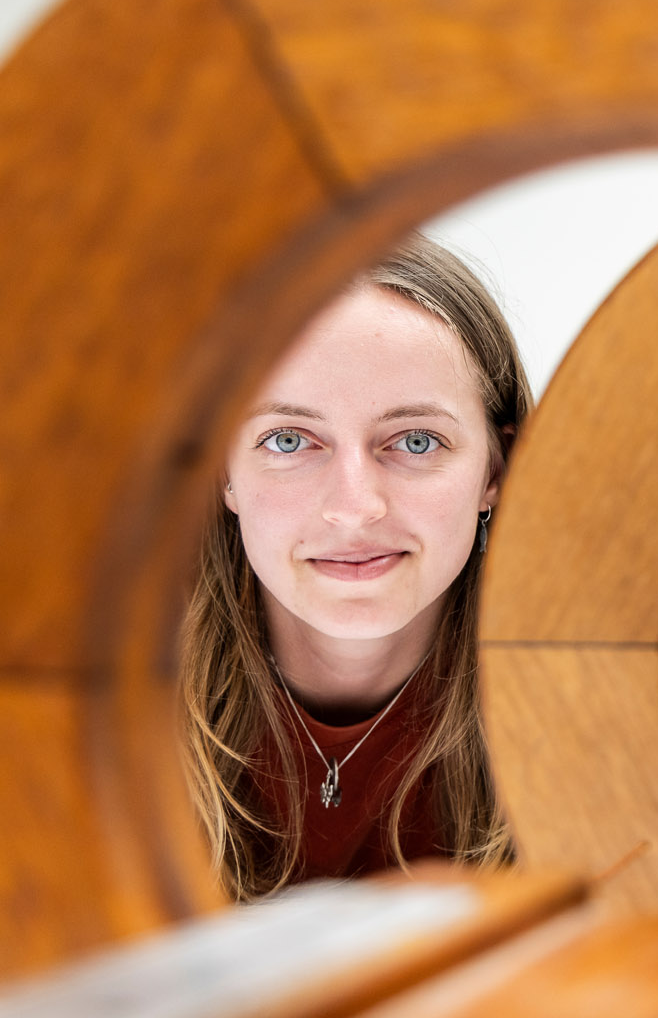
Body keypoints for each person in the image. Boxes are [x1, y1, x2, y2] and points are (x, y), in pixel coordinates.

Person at [180, 235, 531, 900]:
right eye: (289, 440)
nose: (354, 508)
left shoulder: (595, 719)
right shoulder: (102, 714)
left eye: (415, 441)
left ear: (496, 470)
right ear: (224, 470)